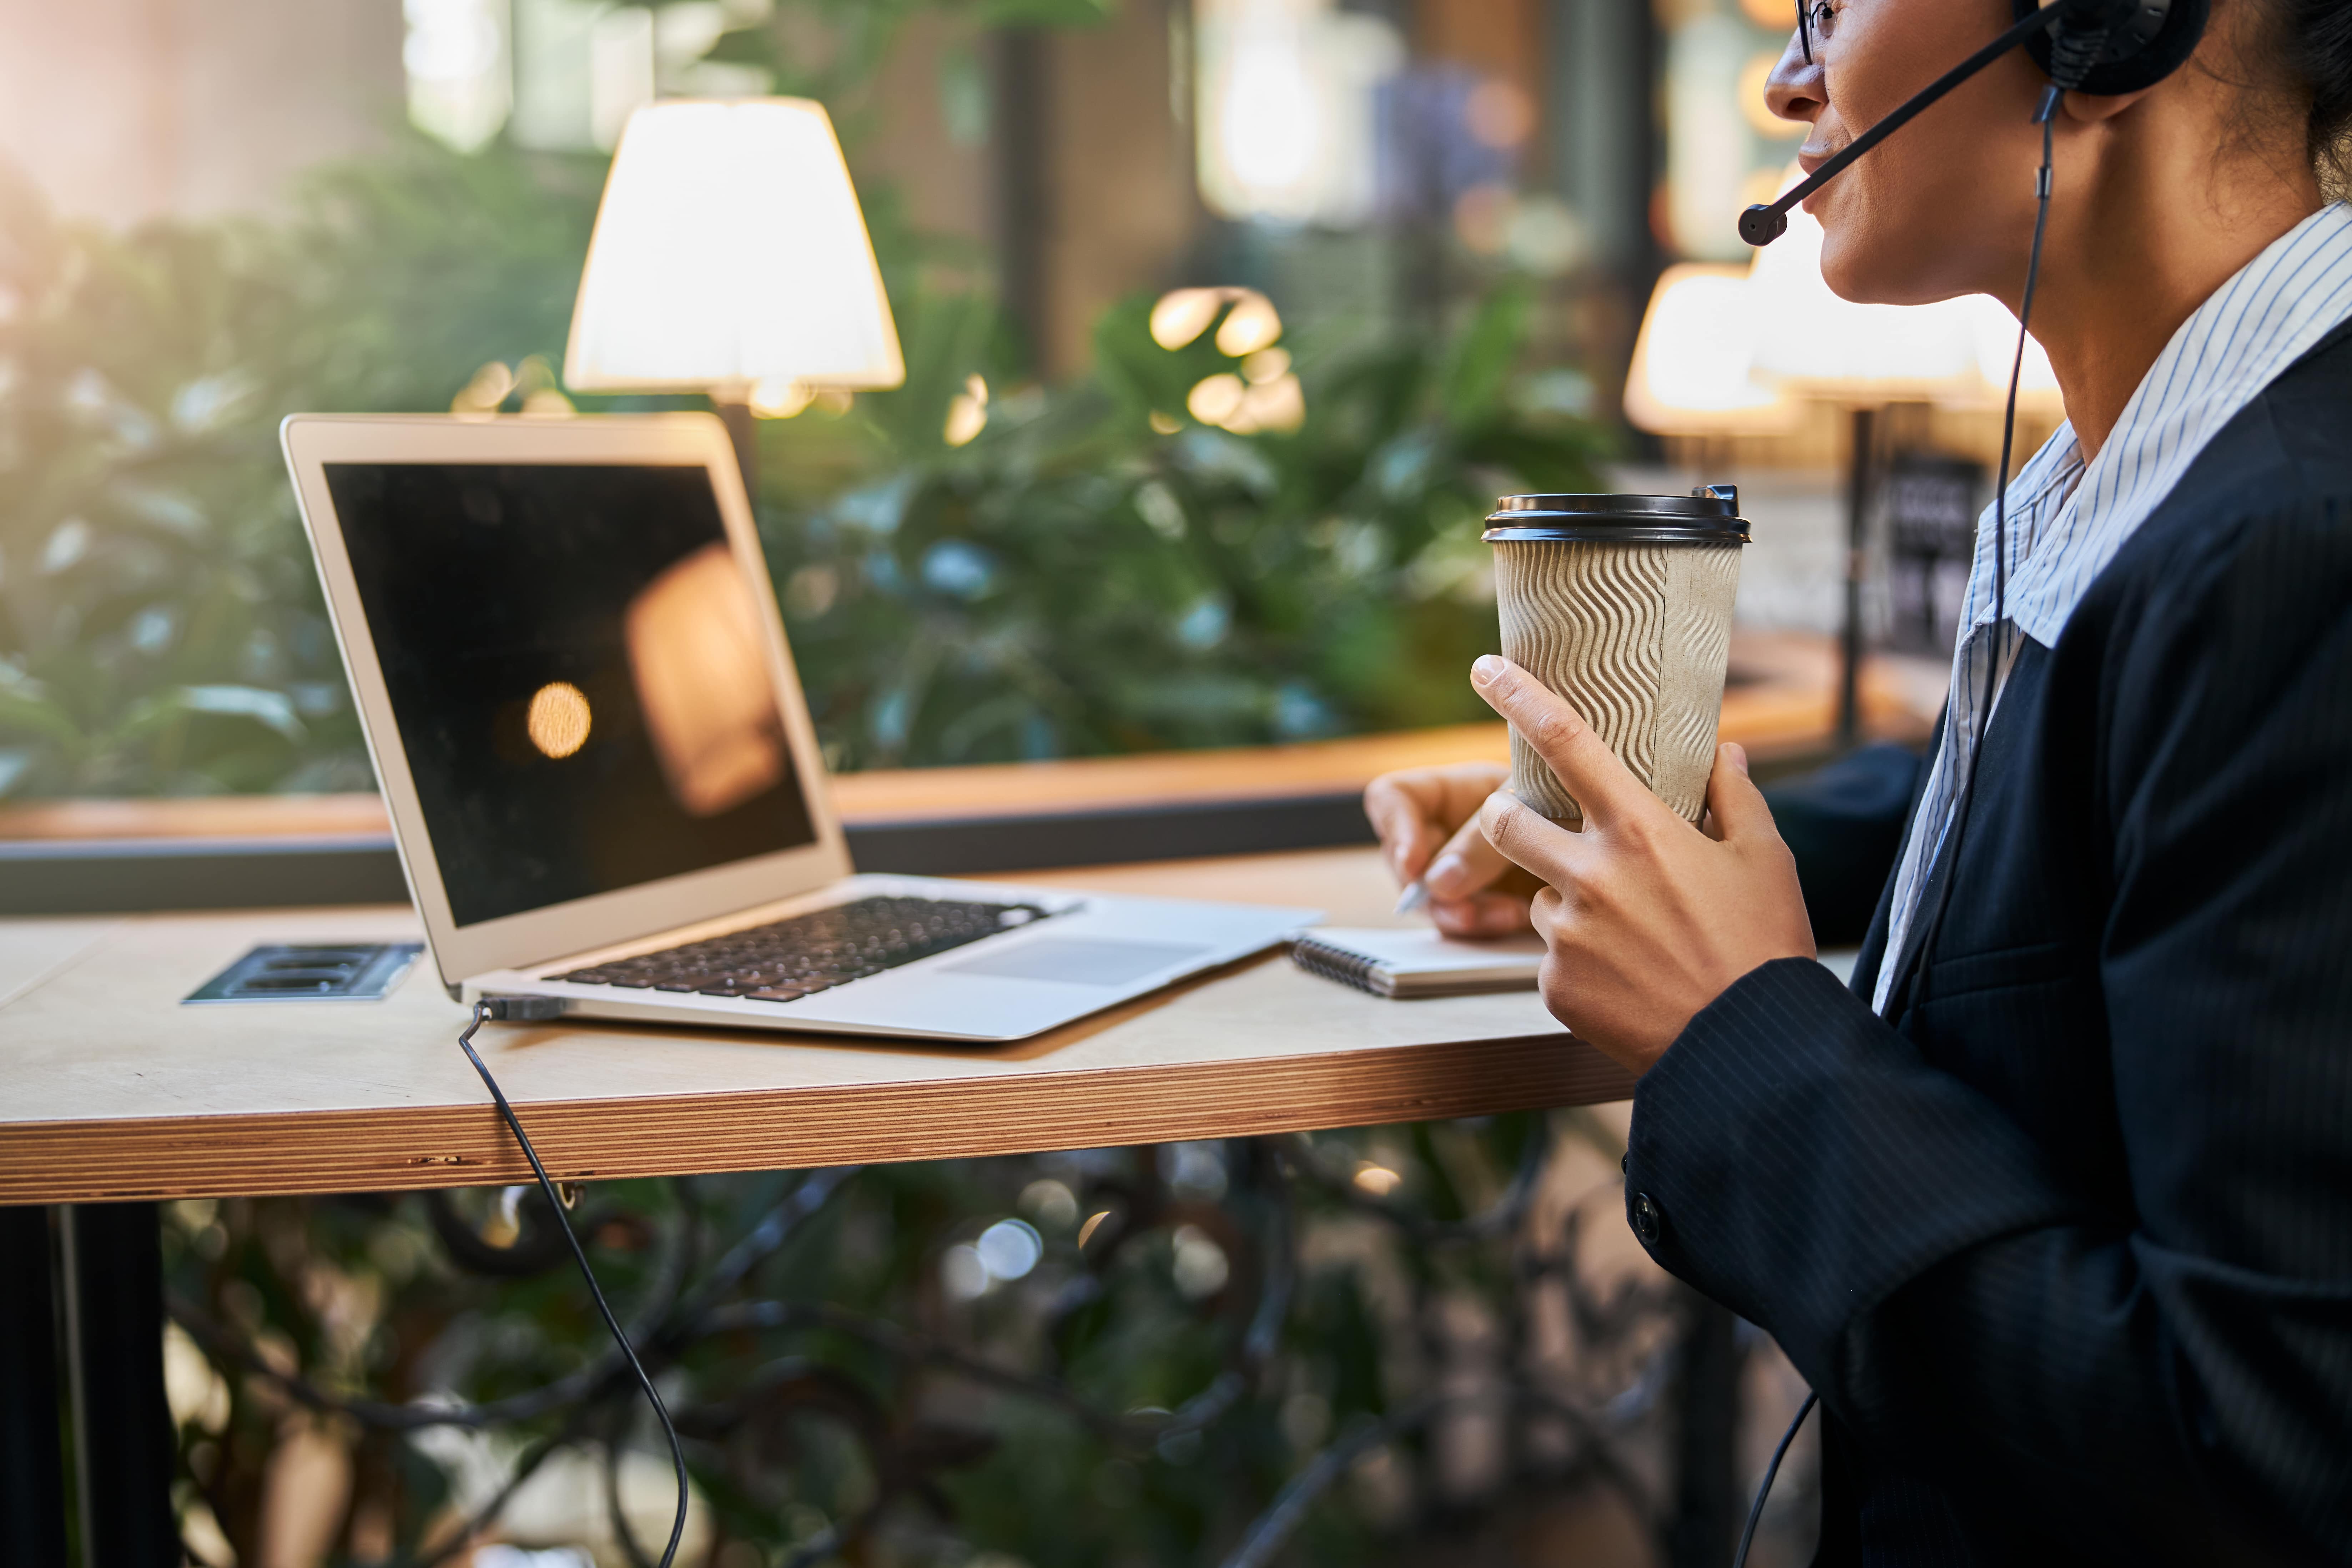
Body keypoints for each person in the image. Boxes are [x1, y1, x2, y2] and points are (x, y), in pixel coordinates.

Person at [1365, 0, 2352, 1557]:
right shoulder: (2171, 479)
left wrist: (1735, 1026)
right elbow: (2124, 807)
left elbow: (2254, 1451)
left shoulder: (2299, 549)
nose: (1786, 78)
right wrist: (1652, 834)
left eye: (1832, 2)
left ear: (2105, 24)